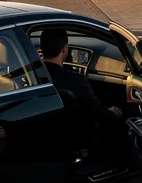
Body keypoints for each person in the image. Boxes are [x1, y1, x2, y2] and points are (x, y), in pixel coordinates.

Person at [40, 28, 124, 156]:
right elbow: (95, 112)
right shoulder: (76, 80)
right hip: (75, 142)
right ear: (64, 49)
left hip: (45, 139)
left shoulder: (32, 77)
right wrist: (112, 113)